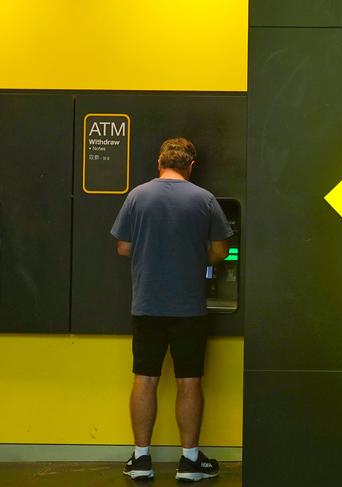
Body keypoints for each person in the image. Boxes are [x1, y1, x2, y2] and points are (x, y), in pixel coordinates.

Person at [110, 137, 233, 481]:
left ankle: (141, 459)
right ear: (190, 166)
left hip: (147, 304)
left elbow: (122, 247)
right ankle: (190, 462)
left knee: (145, 377)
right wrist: (197, 256)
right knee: (189, 380)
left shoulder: (137, 196)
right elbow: (222, 251)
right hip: (189, 308)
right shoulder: (204, 199)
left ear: (158, 163)